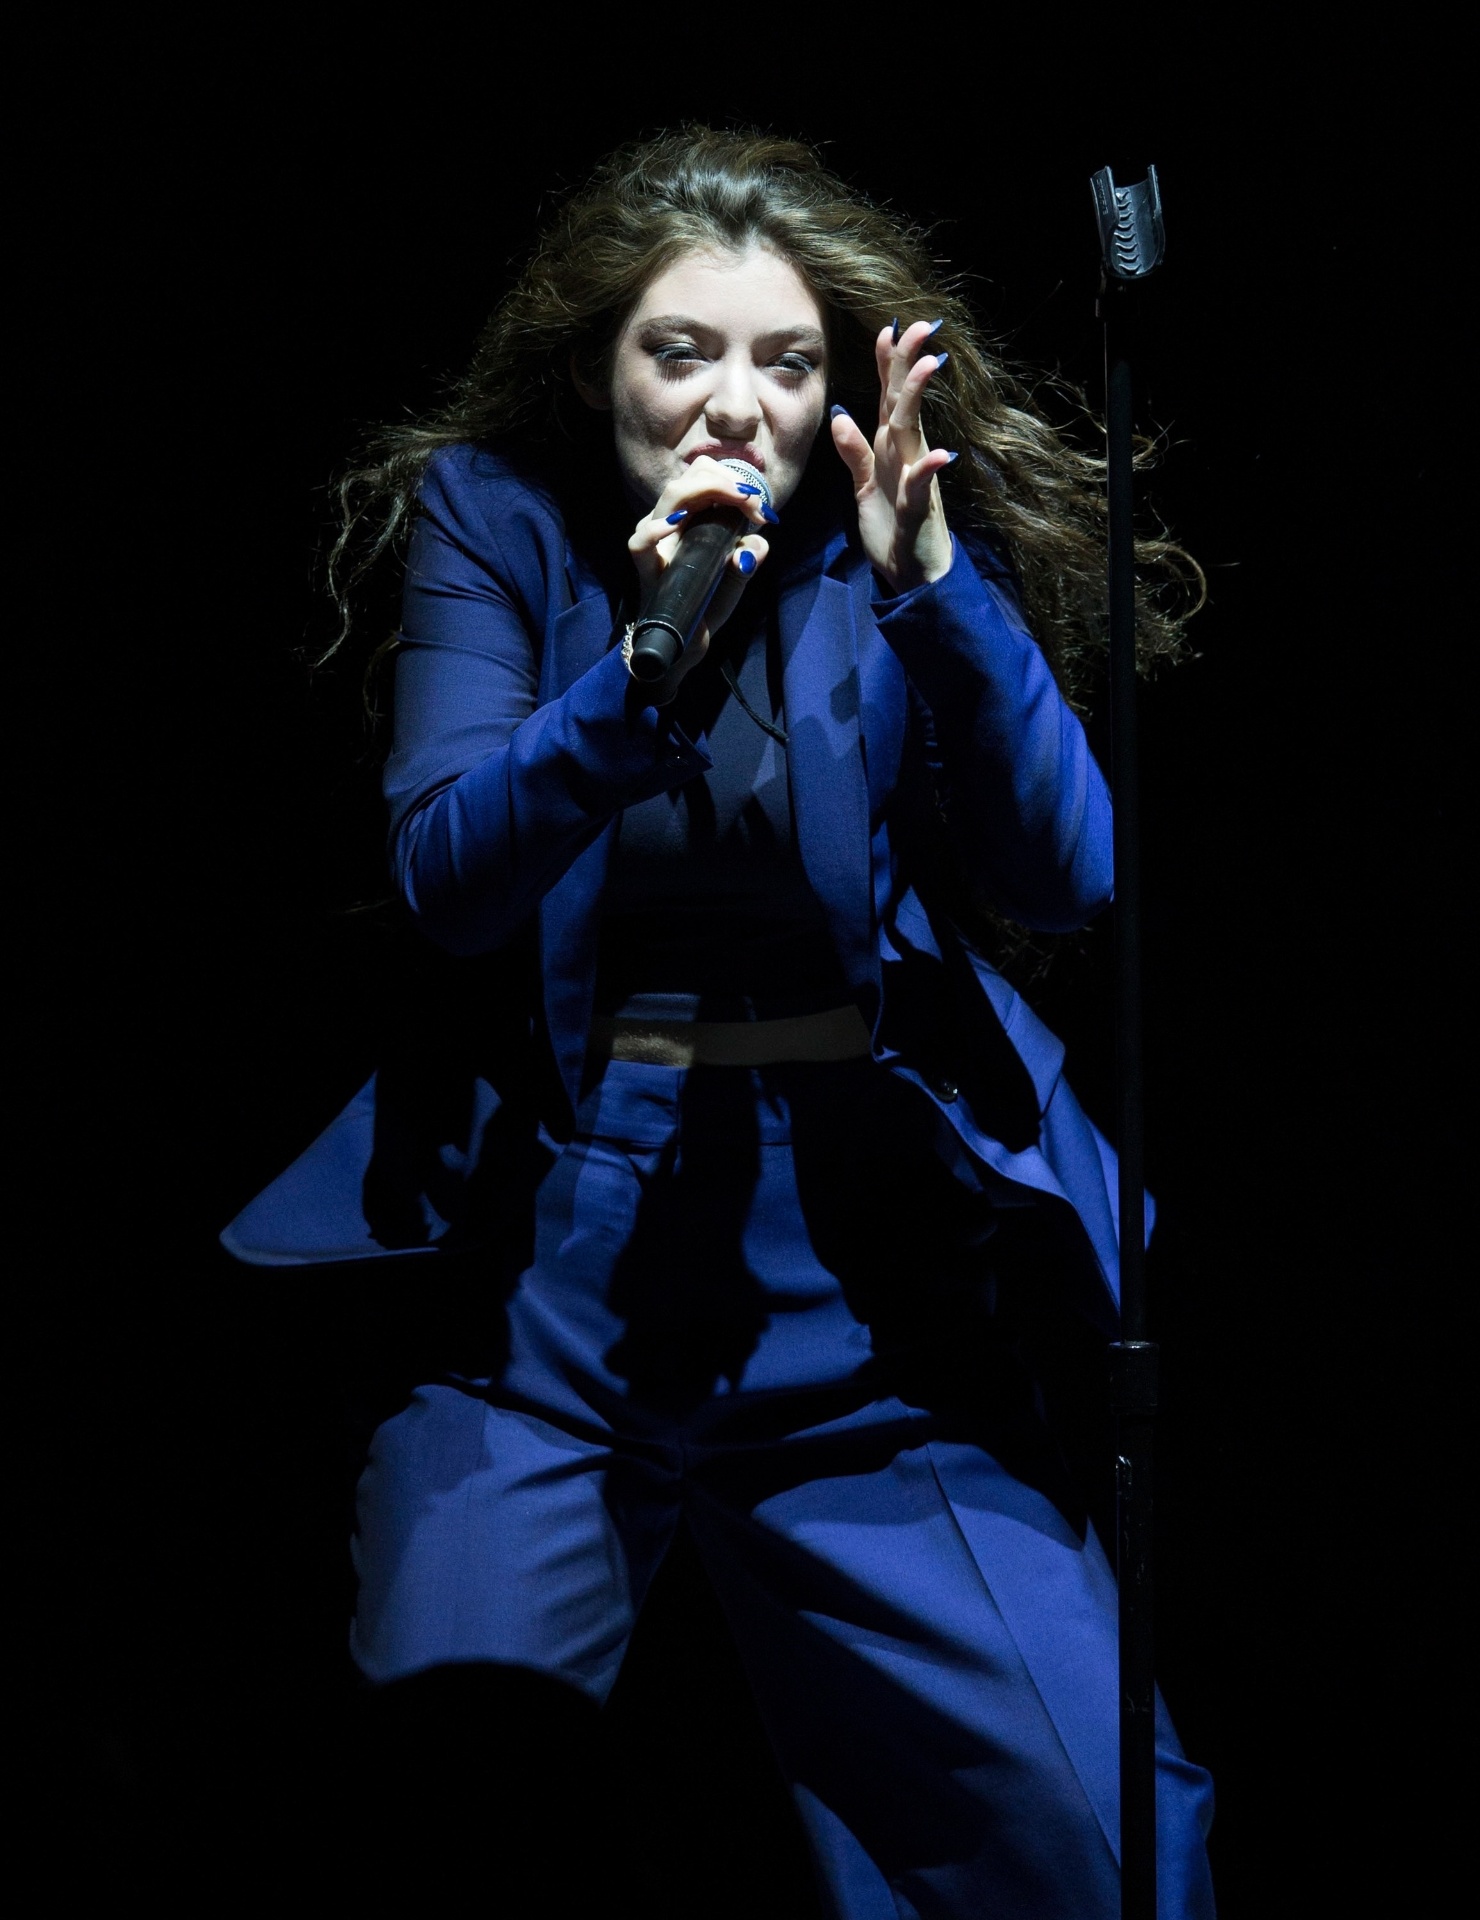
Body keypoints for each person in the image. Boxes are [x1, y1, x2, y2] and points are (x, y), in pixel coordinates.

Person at [224, 127, 1216, 1915]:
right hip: (550, 1299)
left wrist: (932, 583)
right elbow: (454, 870)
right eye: (682, 351)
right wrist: (643, 659)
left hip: (855, 1295)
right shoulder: (499, 520)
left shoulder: (879, 556)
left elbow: (1071, 872)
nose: (731, 404)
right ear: (600, 367)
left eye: (785, 363)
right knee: (437, 1812)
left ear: (833, 391)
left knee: (1092, 1837)